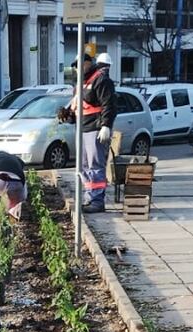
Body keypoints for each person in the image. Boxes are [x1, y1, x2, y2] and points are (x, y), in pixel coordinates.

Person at [65, 52, 116, 213]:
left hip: (95, 128)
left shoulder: (100, 80)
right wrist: (68, 116)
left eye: (80, 66)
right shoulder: (81, 84)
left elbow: (109, 104)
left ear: (88, 63)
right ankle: (89, 196)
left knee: (95, 164)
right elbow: (78, 108)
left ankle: (97, 200)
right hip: (82, 128)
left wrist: (106, 125)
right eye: (75, 68)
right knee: (84, 165)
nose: (77, 70)